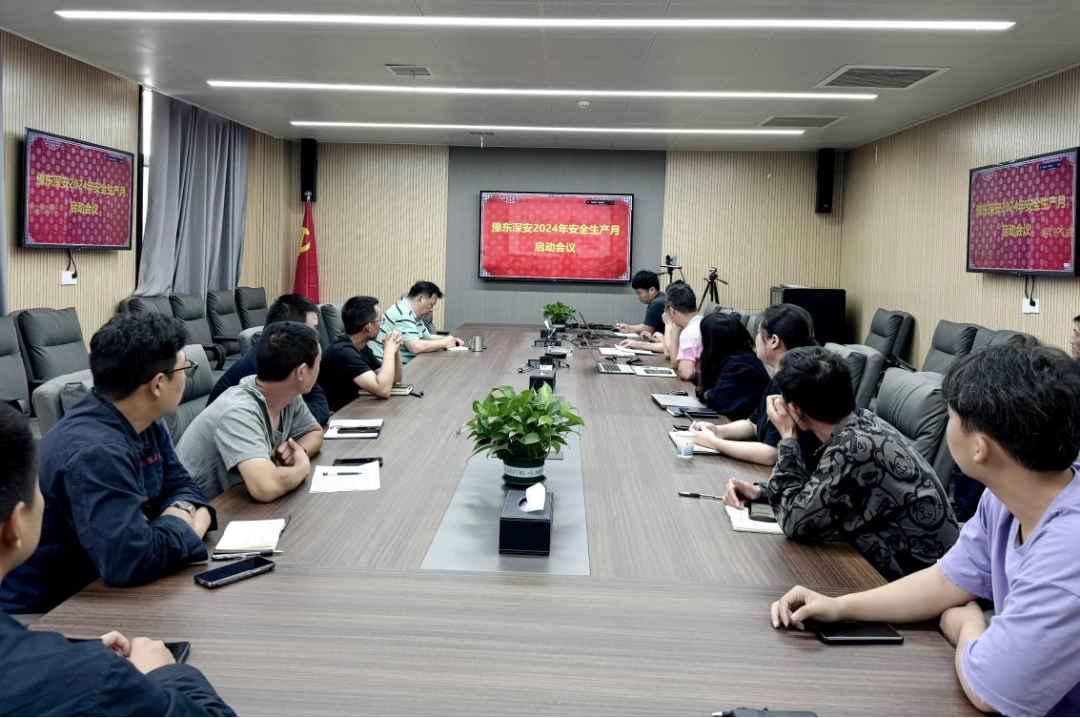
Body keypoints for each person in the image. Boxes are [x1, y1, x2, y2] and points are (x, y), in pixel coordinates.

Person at [770, 345, 1080, 716]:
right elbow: (946, 580)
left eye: (951, 416)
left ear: (979, 447)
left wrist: (966, 624)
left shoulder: (1068, 550)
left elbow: (991, 689)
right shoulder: (1005, 498)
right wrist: (839, 606)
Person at [0, 405, 235, 715]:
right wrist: (162, 672)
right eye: (37, 490)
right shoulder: (93, 680)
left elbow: (182, 485)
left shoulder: (147, 424)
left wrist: (72, 653)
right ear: (15, 525)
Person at [0, 314, 215, 616]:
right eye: (186, 369)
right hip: (49, 611)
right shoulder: (95, 453)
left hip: (104, 588)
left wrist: (182, 510)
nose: (188, 375)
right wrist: (185, 523)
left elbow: (182, 485)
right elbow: (130, 562)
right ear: (157, 384)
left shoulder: (145, 420)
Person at [724, 346, 959, 579]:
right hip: (904, 563)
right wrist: (761, 492)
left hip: (917, 580)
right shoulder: (861, 421)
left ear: (795, 411)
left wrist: (787, 436)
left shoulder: (854, 447)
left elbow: (795, 522)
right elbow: (822, 489)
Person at [177, 322, 325, 502]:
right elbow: (266, 488)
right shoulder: (238, 411)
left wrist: (298, 450)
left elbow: (314, 433)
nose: (320, 368)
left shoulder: (288, 393)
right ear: (301, 372)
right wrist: (302, 465)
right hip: (199, 509)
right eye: (319, 362)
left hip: (235, 501)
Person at [689, 304, 818, 466]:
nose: (754, 338)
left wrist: (714, 442)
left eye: (758, 332)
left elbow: (771, 454)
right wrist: (717, 430)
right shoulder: (778, 379)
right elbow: (753, 424)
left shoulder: (794, 385)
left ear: (774, 341)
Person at [206, 293, 330, 426]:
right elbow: (310, 419)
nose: (316, 337)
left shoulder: (289, 358)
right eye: (312, 330)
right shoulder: (264, 368)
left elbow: (316, 412)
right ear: (290, 332)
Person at [319, 296, 404, 410]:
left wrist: (395, 349)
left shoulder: (361, 347)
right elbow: (383, 390)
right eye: (380, 320)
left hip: (355, 408)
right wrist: (389, 350)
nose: (382, 324)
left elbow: (394, 380)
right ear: (368, 327)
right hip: (338, 415)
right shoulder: (343, 352)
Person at [695, 312, 770, 422]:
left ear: (714, 341)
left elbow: (718, 402)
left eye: (703, 336)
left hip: (744, 427)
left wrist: (709, 394)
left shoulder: (739, 365)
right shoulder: (734, 356)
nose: (701, 340)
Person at [371, 281, 463, 363]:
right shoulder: (403, 313)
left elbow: (427, 337)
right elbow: (415, 347)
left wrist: (450, 339)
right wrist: (444, 343)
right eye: (431, 305)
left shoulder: (412, 313)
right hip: (389, 367)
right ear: (420, 299)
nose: (431, 310)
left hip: (406, 364)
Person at [663, 282, 702, 381]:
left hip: (702, 387)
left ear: (672, 310)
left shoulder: (690, 332)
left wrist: (670, 325)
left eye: (666, 310)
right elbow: (675, 363)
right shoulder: (701, 321)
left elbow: (686, 373)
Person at [615, 269, 666, 335]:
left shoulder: (656, 303)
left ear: (652, 290)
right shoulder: (662, 297)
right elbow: (648, 326)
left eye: (639, 293)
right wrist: (628, 328)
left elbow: (648, 329)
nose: (638, 297)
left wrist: (629, 328)